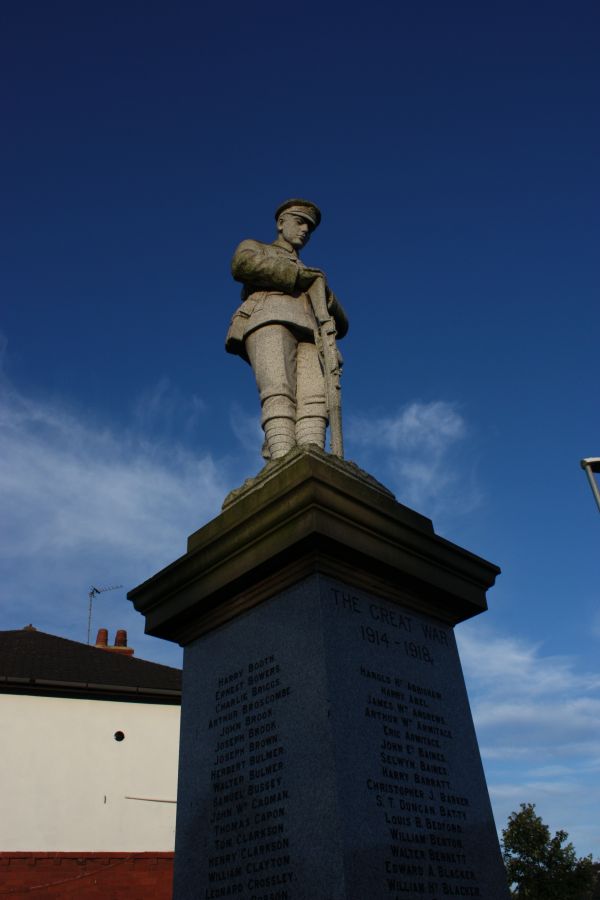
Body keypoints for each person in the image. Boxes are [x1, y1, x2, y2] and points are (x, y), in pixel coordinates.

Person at [226, 199, 348, 460]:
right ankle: (282, 459)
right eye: (300, 222)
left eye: (310, 228)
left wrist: (322, 291)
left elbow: (344, 323)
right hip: (268, 318)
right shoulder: (257, 247)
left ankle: (312, 458)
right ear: (281, 223)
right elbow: (241, 265)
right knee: (278, 392)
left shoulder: (312, 274)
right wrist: (296, 276)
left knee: (315, 400)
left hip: (311, 333)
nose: (305, 230)